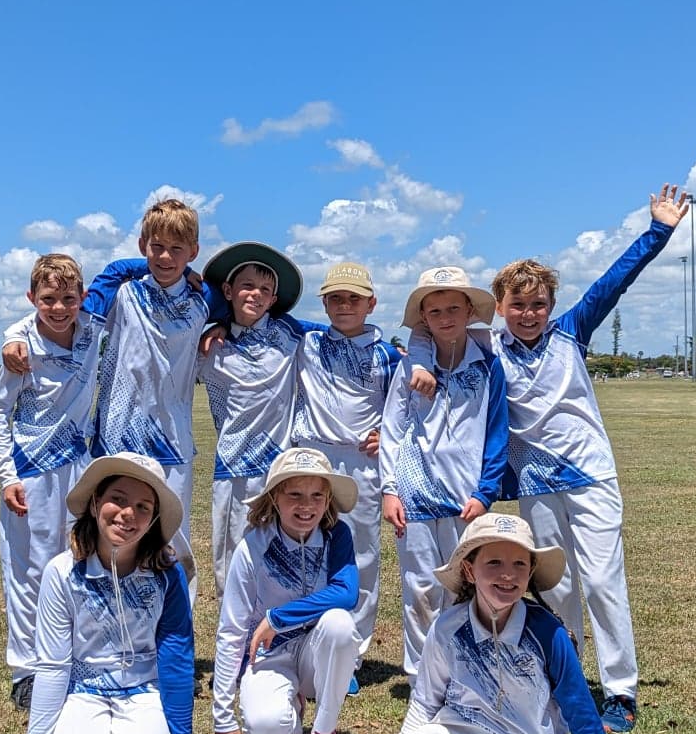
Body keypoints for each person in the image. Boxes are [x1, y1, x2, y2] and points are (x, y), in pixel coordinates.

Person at [411, 186, 691, 733]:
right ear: (501, 306)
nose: (529, 313)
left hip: (590, 475)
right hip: (538, 482)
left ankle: (620, 690)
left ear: (551, 305)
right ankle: (566, 679)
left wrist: (658, 231)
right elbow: (427, 329)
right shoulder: (490, 346)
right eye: (518, 305)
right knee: (557, 587)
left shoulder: (572, 334)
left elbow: (615, 281)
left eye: (538, 304)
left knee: (604, 580)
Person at [157, 512, 626, 734]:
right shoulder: (448, 626)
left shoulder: (547, 633)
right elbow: (426, 700)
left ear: (530, 573)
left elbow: (580, 712)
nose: (507, 575)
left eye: (519, 565)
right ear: (469, 570)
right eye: (494, 563)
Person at [2, 197, 209, 579]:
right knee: (109, 543)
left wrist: (222, 326)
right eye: (156, 247)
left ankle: (174, 633)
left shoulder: (204, 300)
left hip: (174, 445)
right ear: (142, 246)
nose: (165, 257)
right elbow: (62, 314)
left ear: (193, 251)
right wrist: (13, 334)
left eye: (177, 249)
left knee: (172, 547)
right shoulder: (119, 290)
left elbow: (249, 310)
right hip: (115, 442)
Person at [22, 455, 195, 734]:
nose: (128, 514)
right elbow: (54, 664)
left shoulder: (167, 573)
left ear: (154, 519)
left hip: (145, 689)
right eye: (118, 498)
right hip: (84, 688)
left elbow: (176, 658)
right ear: (96, 502)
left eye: (143, 506)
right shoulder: (62, 572)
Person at [0, 254, 102, 709]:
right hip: (30, 470)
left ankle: (71, 660)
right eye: (48, 299)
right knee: (27, 571)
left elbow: (129, 276)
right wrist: (6, 476)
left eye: (68, 299)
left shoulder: (93, 331)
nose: (58, 309)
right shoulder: (22, 349)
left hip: (78, 466)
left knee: (77, 563)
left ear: (82, 299)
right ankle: (26, 671)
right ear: (32, 299)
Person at [379, 265, 507, 677]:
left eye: (454, 307)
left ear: (470, 310)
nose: (446, 318)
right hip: (414, 494)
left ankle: (463, 672)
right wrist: (389, 489)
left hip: (465, 497)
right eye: (434, 312)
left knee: (466, 587)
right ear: (423, 319)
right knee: (419, 590)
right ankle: (420, 676)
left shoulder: (489, 364)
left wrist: (485, 492)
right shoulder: (409, 368)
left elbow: (495, 432)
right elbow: (393, 430)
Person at [208, 446, 361, 734]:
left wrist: (277, 617)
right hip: (270, 652)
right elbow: (232, 629)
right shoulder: (253, 545)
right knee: (266, 729)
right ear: (275, 497)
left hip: (316, 651)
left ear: (328, 499)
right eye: (294, 495)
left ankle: (323, 732)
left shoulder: (337, 535)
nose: (307, 506)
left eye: (318, 495)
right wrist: (223, 715)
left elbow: (346, 593)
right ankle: (290, 716)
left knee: (340, 625)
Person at [288, 261, 401, 659]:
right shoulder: (308, 340)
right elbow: (256, 314)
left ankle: (350, 651)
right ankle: (306, 638)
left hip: (361, 462)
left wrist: (387, 434)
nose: (344, 306)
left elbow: (407, 410)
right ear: (324, 302)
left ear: (371, 303)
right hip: (314, 457)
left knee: (361, 555)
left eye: (353, 298)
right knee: (306, 545)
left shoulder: (389, 356)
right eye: (335, 298)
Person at [196, 241, 306, 597]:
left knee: (281, 560)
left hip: (278, 471)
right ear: (228, 290)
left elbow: (343, 332)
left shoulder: (292, 335)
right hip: (231, 470)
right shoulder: (210, 347)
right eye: (246, 285)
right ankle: (234, 645)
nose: (255, 295)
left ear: (274, 299)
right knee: (230, 560)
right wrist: (222, 323)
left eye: (265, 290)